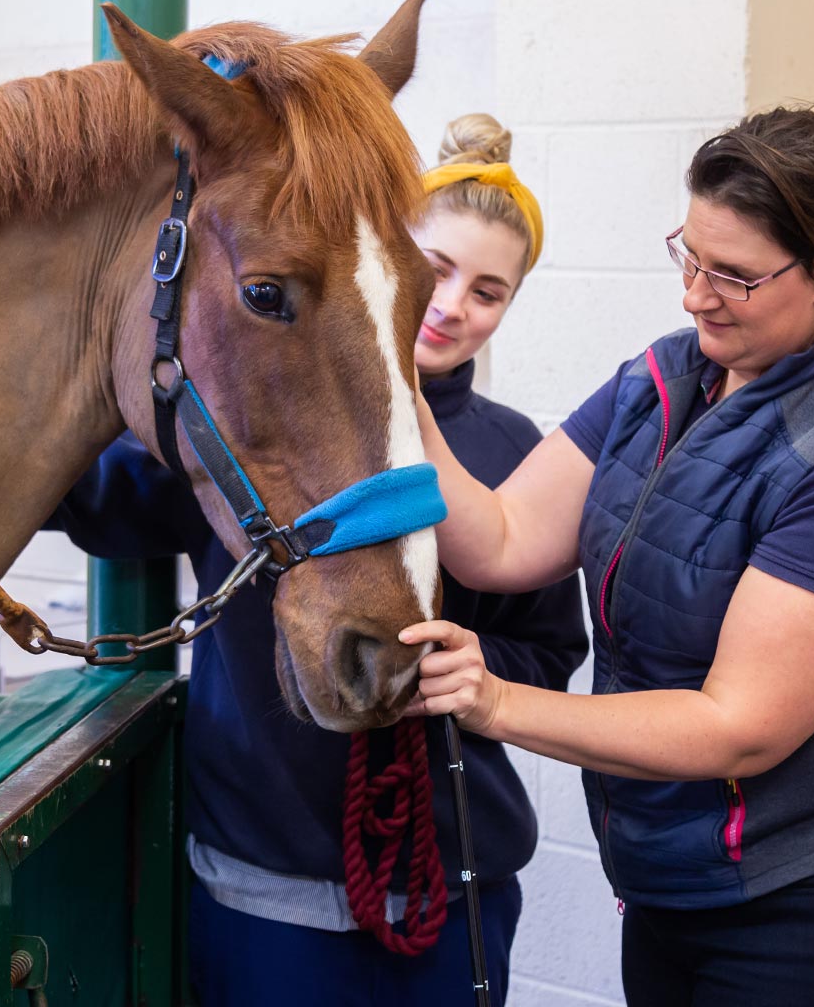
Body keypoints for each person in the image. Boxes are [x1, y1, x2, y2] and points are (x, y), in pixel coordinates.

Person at [400, 106, 814, 1005]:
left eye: (735, 276)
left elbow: (738, 726)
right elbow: (504, 538)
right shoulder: (664, 379)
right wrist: (394, 384)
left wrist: (496, 702)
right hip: (677, 880)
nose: (695, 296)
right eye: (690, 256)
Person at [45, 114, 587, 1006]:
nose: (454, 305)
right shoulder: (261, 413)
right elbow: (99, 496)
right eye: (437, 271)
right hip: (263, 878)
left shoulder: (516, 455)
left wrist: (476, 671)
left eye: (489, 291)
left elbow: (549, 648)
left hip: (451, 887)